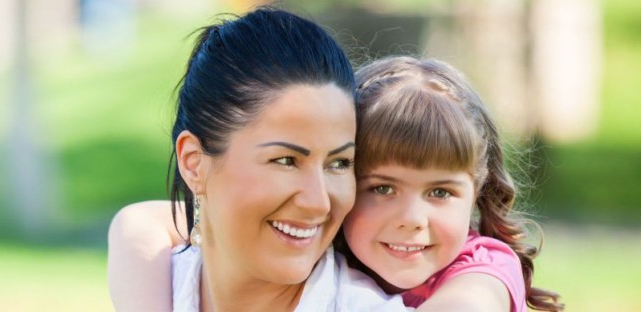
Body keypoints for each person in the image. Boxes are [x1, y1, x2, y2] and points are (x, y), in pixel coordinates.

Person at [108, 7, 408, 312]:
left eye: (339, 163)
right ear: (193, 162)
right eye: (286, 160)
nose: (319, 203)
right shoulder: (160, 283)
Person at [339, 56, 563, 311]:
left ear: (477, 192)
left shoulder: (485, 271)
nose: (412, 219)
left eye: (439, 192)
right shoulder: (321, 266)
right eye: (383, 188)